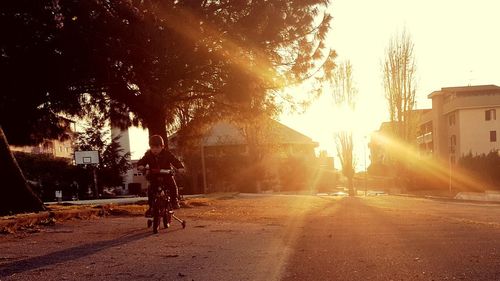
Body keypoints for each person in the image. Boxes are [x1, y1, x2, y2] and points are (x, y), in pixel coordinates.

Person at [137, 135, 184, 217]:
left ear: (162, 146)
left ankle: (174, 201)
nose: (154, 150)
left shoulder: (167, 154)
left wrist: (180, 167)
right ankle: (151, 207)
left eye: (157, 147)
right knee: (151, 189)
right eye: (152, 147)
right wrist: (141, 166)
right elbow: (141, 162)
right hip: (154, 176)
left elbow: (174, 160)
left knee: (172, 186)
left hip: (166, 175)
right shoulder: (148, 155)